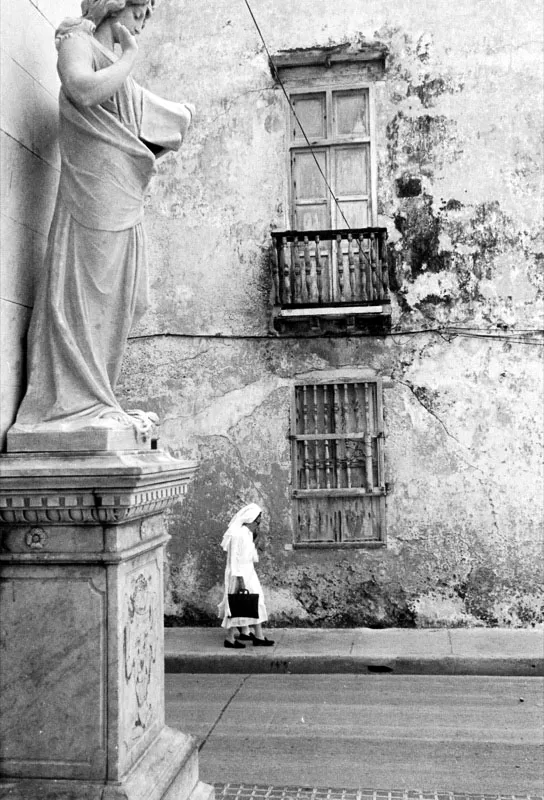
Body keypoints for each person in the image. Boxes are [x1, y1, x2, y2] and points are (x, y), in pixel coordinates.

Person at [9, 0, 194, 441]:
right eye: (141, 7)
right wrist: (129, 60)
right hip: (93, 192)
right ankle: (73, 402)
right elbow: (81, 89)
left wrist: (176, 122)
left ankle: (98, 398)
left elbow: (139, 132)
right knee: (88, 289)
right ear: (115, 2)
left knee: (126, 299)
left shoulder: (116, 68)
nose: (144, 19)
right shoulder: (77, 39)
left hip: (121, 190)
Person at [218, 503, 274, 649]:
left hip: (249, 572)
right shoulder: (237, 534)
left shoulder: (248, 534)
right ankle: (230, 639)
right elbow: (234, 559)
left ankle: (251, 633)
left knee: (256, 601)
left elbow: (251, 557)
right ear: (251, 519)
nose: (259, 522)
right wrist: (240, 580)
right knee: (236, 604)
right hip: (239, 574)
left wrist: (256, 541)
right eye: (258, 519)